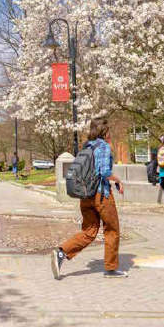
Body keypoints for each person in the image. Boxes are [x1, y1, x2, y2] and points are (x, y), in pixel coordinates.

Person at [51, 118, 127, 280]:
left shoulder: (87, 146)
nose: (110, 134)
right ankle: (111, 269)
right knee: (112, 229)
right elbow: (104, 172)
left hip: (85, 195)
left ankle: (61, 252)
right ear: (104, 132)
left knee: (89, 231)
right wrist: (118, 180)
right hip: (101, 195)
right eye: (108, 131)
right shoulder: (104, 146)